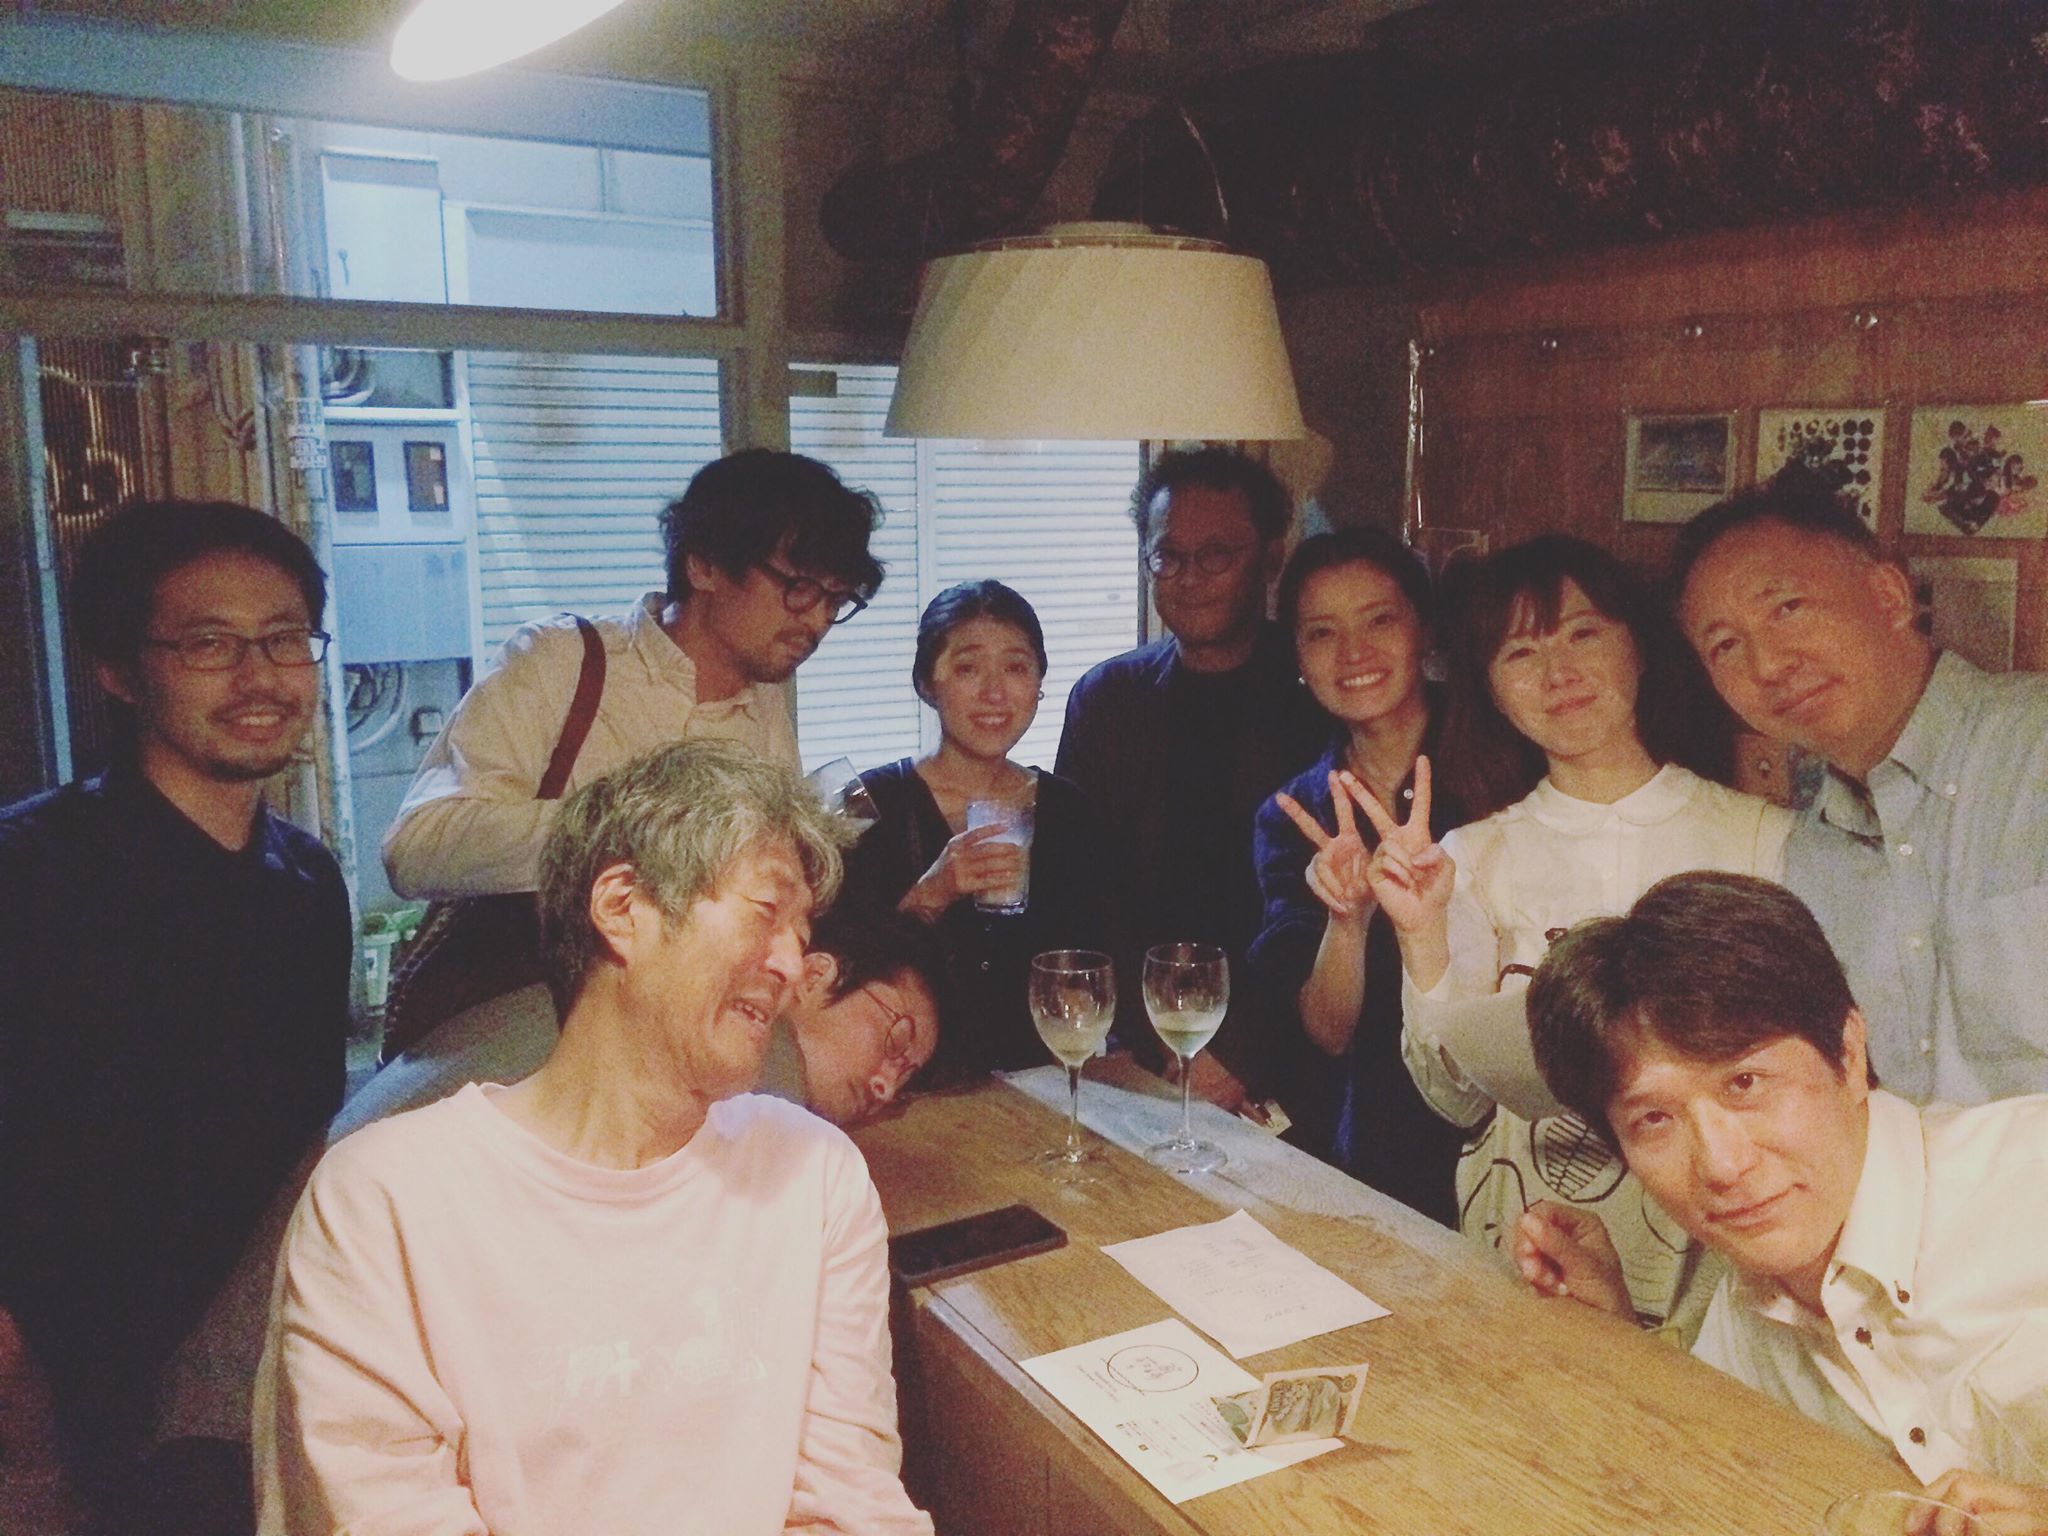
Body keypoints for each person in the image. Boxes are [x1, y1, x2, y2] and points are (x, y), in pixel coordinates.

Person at [255, 741, 933, 1533]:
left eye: (804, 930)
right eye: (765, 913)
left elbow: (851, 1502)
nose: (795, 963)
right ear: (622, 906)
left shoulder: (814, 1178)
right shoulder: (382, 1202)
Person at [0, 500, 350, 1528]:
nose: (260, 677)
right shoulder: (32, 870)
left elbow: (300, 1136)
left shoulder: (306, 879)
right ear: (119, 671)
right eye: (208, 644)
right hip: (62, 1384)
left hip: (246, 1373)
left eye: (284, 638)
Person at [1349, 535, 1790, 1329]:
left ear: (1639, 648)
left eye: (1584, 633)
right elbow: (1453, 1103)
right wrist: (1420, 932)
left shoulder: (1760, 837)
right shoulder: (1472, 854)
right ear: (1492, 689)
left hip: (1717, 1226)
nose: (1559, 673)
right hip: (1530, 1230)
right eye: (1521, 653)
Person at [1514, 871, 2048, 1518]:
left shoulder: (2029, 1177)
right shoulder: (1740, 1327)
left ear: (1849, 1054)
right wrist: (1614, 1329)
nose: (1722, 1165)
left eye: (1745, 1083)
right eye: (1654, 1119)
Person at [1675, 474, 2048, 1105]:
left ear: (1889, 596)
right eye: (1726, 646)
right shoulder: (1805, 860)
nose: (1768, 665)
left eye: (1787, 609)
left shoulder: (2033, 752)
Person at [384, 448, 886, 899]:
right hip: (535, 971)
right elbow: (418, 848)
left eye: (836, 600)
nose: (818, 621)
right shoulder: (560, 658)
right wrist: (645, 829)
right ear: (704, 567)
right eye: (800, 588)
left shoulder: (764, 703)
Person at [1057, 448, 1327, 1116]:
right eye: (1168, 556)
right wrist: (1148, 1041)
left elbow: (1314, 911)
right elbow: (1083, 886)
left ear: (1269, 557)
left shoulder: (1318, 696)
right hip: (1141, 1051)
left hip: (1292, 1061)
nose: (1189, 578)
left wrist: (1239, 1055)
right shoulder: (1108, 698)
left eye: (1216, 555)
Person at [1253, 528, 1467, 1222]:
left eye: (1379, 620)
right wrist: (1347, 921)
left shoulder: (1501, 770)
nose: (1353, 653)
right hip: (1369, 1155)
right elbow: (1327, 1031)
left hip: (1504, 1148)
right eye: (1322, 633)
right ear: (1298, 657)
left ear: (1423, 629)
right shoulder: (1294, 814)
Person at [840, 581, 1118, 1074]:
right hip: (901, 1087)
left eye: (1016, 668)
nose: (994, 692)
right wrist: (933, 891)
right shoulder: (863, 804)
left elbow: (1099, 965)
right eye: (968, 668)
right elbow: (832, 975)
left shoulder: (1069, 810)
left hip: (1045, 1086)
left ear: (1039, 683)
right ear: (926, 683)